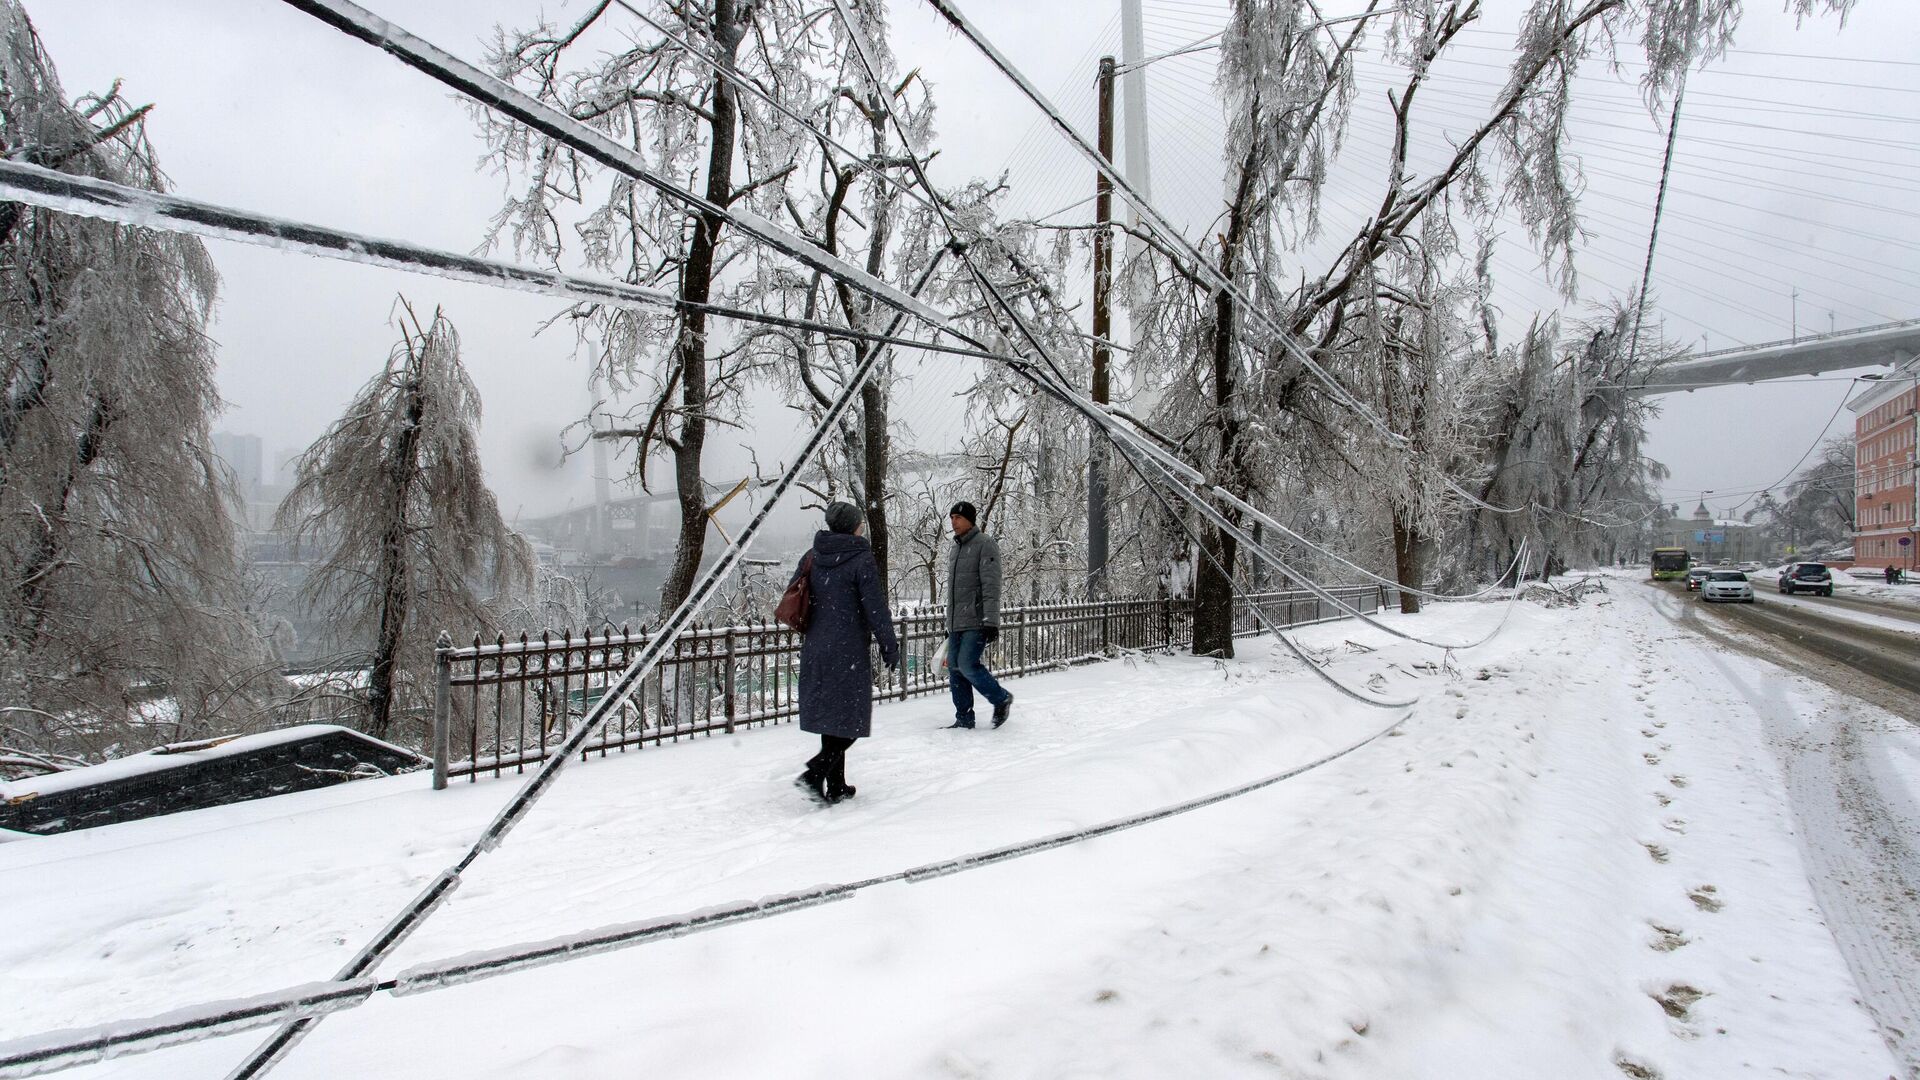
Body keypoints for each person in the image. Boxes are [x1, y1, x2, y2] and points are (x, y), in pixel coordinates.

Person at [790, 501, 899, 805]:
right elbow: (875, 607)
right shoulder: (860, 559)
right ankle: (815, 773)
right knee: (851, 717)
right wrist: (889, 644)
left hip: (817, 647)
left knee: (832, 719)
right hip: (848, 650)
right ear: (854, 526)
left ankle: (836, 785)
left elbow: (797, 593)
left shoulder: (812, 556)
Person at [943, 500, 1012, 730]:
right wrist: (949, 621)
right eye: (952, 517)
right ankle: (964, 718)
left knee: (967, 664)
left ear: (970, 520)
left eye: (958, 518)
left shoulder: (985, 544)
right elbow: (954, 591)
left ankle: (1000, 698)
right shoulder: (956, 548)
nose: (954, 522)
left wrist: (991, 621)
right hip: (957, 621)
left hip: (977, 619)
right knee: (954, 667)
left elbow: (991, 586)